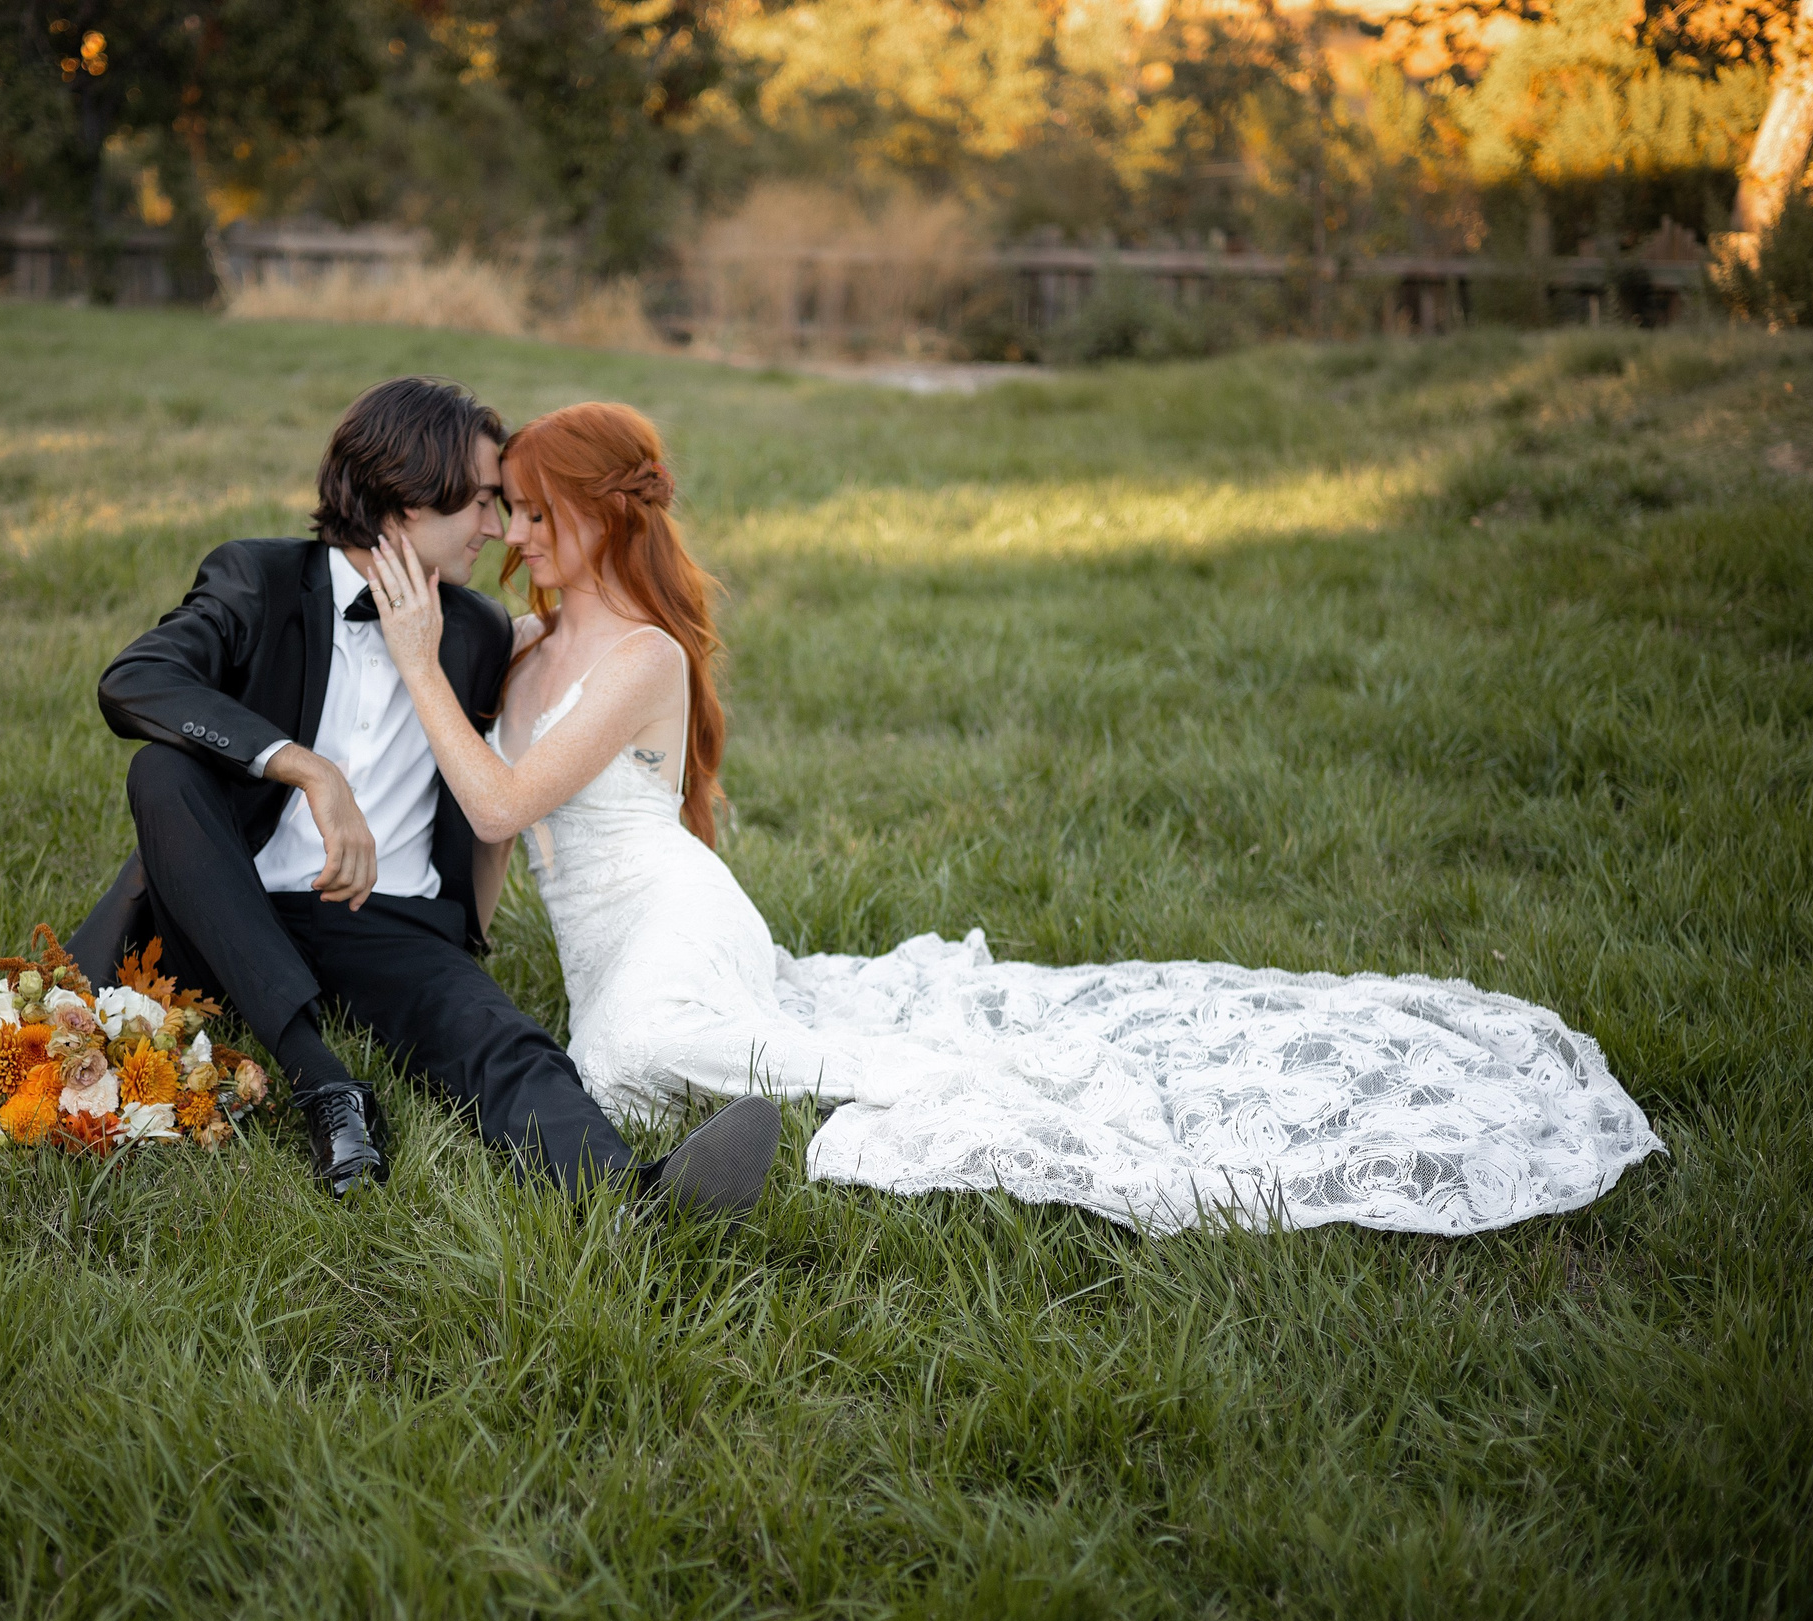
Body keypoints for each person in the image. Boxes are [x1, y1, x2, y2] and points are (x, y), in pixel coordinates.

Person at [356, 401, 1666, 1235]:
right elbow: (485, 834)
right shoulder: (526, 651)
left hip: (674, 918)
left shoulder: (641, 655)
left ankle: (936, 1095)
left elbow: (505, 792)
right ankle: (740, 1112)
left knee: (644, 1045)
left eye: (533, 511)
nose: (517, 534)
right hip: (607, 940)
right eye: (509, 513)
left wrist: (421, 665)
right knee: (620, 1069)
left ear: (594, 510)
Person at [68, 377, 778, 1213]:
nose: (498, 528)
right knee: (163, 769)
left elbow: (523, 762)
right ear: (404, 505)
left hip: (395, 924)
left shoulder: (477, 632)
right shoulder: (257, 579)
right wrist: (308, 769)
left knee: (503, 1040)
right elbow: (135, 680)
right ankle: (325, 1085)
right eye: (482, 502)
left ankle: (628, 1196)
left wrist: (465, 934)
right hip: (234, 907)